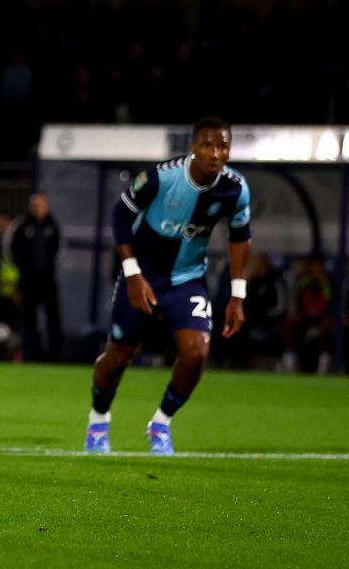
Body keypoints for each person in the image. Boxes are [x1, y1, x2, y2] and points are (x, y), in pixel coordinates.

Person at [86, 117, 250, 456]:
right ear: (192, 147)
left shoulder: (235, 189)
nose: (215, 153)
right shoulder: (162, 177)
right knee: (119, 356)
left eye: (222, 146)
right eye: (207, 144)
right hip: (143, 276)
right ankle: (98, 420)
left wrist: (237, 295)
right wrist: (132, 274)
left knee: (197, 352)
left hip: (186, 279)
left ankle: (161, 423)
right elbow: (120, 215)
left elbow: (240, 238)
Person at [3, 193, 62, 361]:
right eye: (36, 206)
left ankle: (55, 356)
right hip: (28, 281)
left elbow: (59, 249)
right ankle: (33, 355)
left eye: (43, 206)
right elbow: (10, 251)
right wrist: (23, 271)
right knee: (29, 318)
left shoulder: (52, 225)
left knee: (53, 317)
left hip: (48, 279)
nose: (40, 209)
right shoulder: (21, 226)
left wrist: (49, 268)